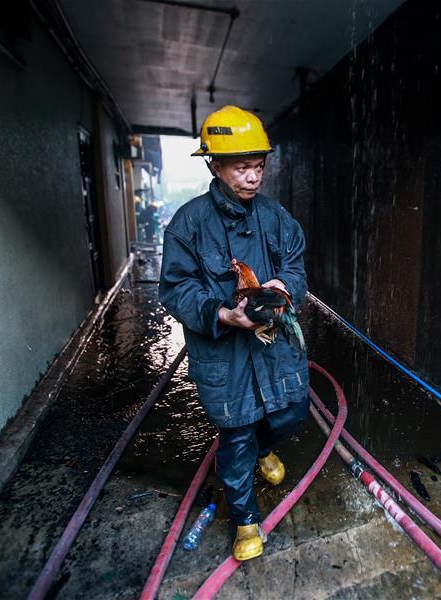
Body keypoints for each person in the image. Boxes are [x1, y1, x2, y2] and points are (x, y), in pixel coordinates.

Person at [158, 106, 309, 561]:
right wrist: (223, 315)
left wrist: (285, 286)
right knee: (236, 434)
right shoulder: (188, 224)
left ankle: (265, 449)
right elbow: (176, 289)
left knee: (293, 411)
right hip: (224, 355)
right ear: (215, 166)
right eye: (242, 167)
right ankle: (245, 520)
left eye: (258, 166)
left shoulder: (275, 216)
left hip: (274, 346)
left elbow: (295, 263)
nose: (253, 177)